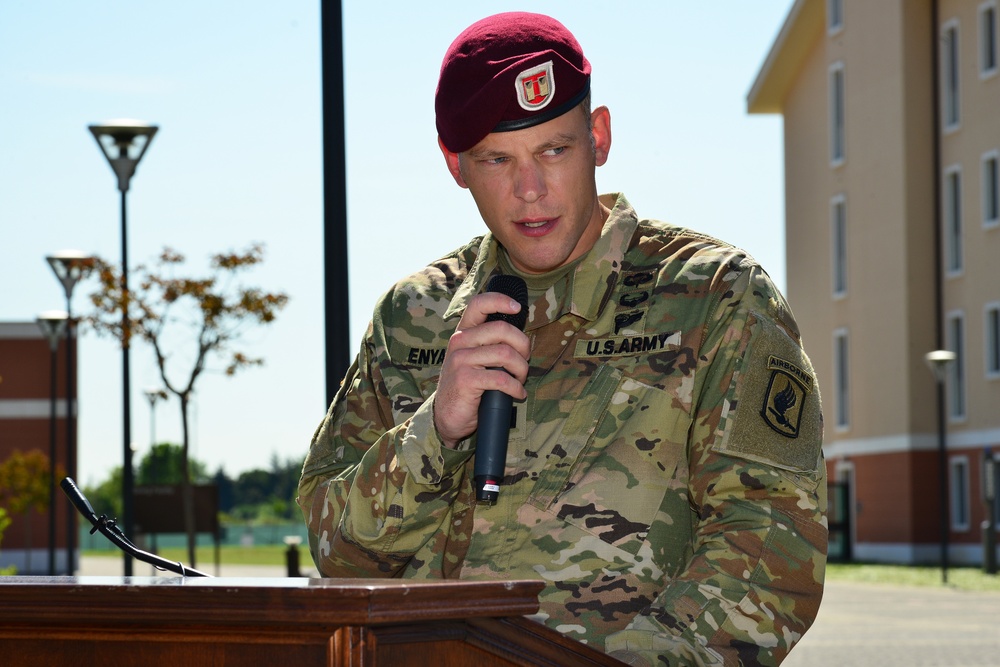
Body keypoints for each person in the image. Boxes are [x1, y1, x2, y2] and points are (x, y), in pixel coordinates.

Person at [298, 11, 826, 667]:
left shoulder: (717, 296)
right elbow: (335, 552)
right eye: (497, 159)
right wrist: (435, 431)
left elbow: (772, 545)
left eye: (555, 149)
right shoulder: (413, 316)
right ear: (455, 165)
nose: (531, 189)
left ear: (598, 136)